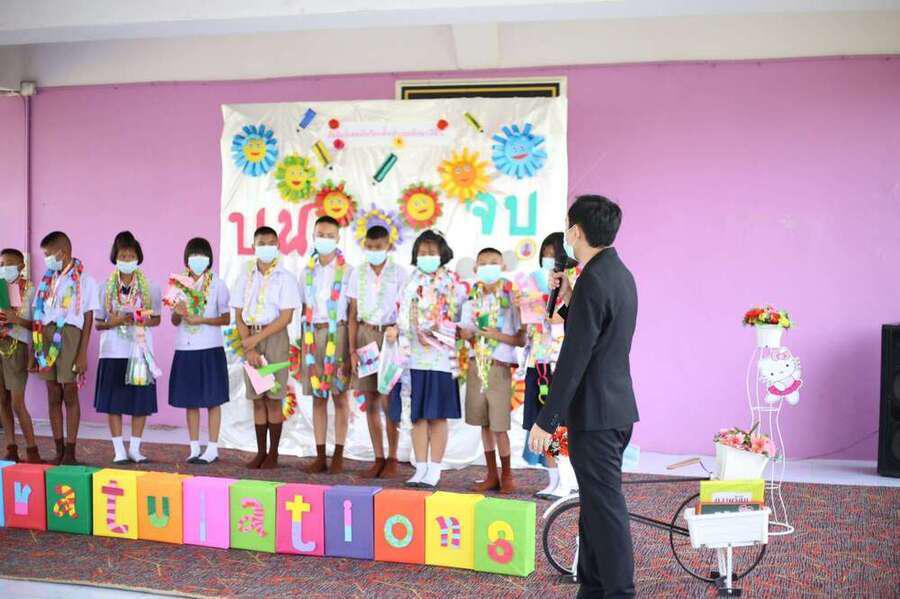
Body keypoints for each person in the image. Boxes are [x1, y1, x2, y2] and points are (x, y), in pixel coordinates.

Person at [529, 195, 639, 598]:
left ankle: (620, 592)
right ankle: (592, 589)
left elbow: (576, 357)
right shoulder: (616, 273)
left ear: (575, 231)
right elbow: (594, 333)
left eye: (566, 227)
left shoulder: (595, 279)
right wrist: (568, 299)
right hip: (612, 409)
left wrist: (546, 419)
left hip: (596, 414)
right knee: (594, 507)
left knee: (605, 510)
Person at [397, 230, 466, 489]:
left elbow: (460, 318)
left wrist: (438, 329)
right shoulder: (410, 282)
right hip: (414, 358)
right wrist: (412, 329)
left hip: (441, 359)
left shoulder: (452, 283)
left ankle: (435, 469)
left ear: (442, 254)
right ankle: (421, 467)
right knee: (417, 417)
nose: (427, 257)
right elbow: (402, 314)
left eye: (432, 252)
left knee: (437, 416)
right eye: (422, 253)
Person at [231, 226, 300, 469]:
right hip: (250, 337)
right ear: (253, 246)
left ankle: (273, 453)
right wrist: (249, 346)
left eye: (271, 243)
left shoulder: (285, 278)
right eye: (262, 243)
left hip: (275, 338)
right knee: (257, 398)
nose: (267, 247)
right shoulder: (245, 277)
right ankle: (260, 452)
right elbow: (239, 316)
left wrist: (256, 340)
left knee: (273, 397)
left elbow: (286, 317)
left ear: (278, 246)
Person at [459, 247, 524, 494]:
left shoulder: (511, 301)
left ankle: (507, 475)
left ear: (503, 266)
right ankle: (491, 475)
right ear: (476, 268)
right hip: (476, 366)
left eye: (493, 262)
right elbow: (466, 335)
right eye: (483, 263)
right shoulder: (470, 302)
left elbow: (521, 340)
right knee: (483, 423)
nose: (488, 267)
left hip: (499, 368)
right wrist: (466, 335)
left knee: (499, 425)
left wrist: (495, 335)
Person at [94, 231, 162, 464]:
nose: (127, 260)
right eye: (122, 256)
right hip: (112, 351)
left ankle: (134, 448)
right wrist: (112, 322)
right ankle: (118, 450)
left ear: (138, 257)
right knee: (113, 402)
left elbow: (157, 319)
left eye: (131, 256)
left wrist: (138, 319)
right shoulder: (104, 287)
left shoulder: (150, 287)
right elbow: (98, 323)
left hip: (140, 350)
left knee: (139, 402)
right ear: (115, 257)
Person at [347, 225, 408, 479]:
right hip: (365, 335)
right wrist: (352, 350)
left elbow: (405, 310)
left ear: (388, 246)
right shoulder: (357, 273)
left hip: (389, 337)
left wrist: (397, 330)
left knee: (388, 399)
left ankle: (392, 457)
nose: (374, 251)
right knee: (370, 398)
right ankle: (378, 457)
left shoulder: (400, 273)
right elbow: (352, 314)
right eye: (370, 247)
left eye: (379, 247)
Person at [33, 231, 99, 465]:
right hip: (46, 335)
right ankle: (58, 449)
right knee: (53, 393)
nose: (47, 259)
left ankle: (71, 451)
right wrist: (36, 350)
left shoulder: (85, 280)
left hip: (70, 334)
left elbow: (88, 318)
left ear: (63, 252)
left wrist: (82, 353)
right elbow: (38, 313)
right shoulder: (47, 280)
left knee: (69, 391)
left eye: (49, 254)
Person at [168, 237, 231, 464]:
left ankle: (212, 448)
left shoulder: (218, 284)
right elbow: (174, 321)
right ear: (187, 258)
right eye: (193, 255)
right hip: (185, 347)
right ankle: (194, 447)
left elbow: (226, 318)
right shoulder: (177, 284)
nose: (198, 260)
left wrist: (202, 320)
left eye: (202, 255)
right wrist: (178, 312)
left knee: (213, 400)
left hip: (210, 347)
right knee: (190, 400)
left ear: (209, 259)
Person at [299, 216, 354, 474]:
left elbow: (352, 312)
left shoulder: (348, 271)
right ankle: (320, 455)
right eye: (320, 234)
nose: (325, 239)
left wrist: (351, 348)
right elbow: (304, 308)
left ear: (338, 238)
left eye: (330, 235)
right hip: (313, 336)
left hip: (339, 334)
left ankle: (339, 454)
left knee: (340, 396)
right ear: (313, 236)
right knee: (318, 398)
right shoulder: (306, 272)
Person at [521, 232, 573, 498]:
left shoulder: (574, 280)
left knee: (560, 423)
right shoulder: (532, 281)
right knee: (542, 422)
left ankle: (567, 479)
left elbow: (559, 317)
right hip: (539, 361)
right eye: (546, 254)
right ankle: (553, 479)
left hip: (561, 361)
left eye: (555, 254)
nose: (549, 259)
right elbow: (531, 319)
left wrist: (553, 304)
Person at [0, 249, 41, 463]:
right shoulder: (0, 288)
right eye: (1, 264)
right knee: (2, 400)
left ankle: (32, 450)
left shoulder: (31, 289)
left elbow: (38, 324)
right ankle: (11, 447)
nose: (4, 268)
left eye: (9, 264)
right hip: (0, 344)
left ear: (21, 266)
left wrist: (16, 319)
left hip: (18, 346)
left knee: (17, 402)